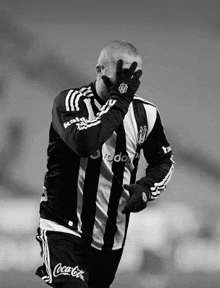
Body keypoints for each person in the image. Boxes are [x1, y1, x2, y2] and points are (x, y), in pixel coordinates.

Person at [35, 40, 174, 288]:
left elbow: (163, 160)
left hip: (110, 239)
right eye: (123, 74)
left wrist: (146, 188)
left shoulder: (146, 115)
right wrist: (119, 101)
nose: (128, 83)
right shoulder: (70, 103)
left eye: (135, 75)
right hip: (63, 228)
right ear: (99, 70)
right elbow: (85, 143)